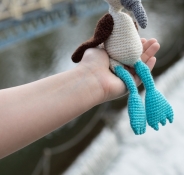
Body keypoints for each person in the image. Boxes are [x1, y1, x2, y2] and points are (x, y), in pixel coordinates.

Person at [0, 38, 160, 159]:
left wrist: (89, 77)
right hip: (112, 67)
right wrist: (91, 78)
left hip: (111, 67)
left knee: (141, 83)